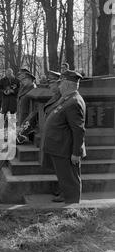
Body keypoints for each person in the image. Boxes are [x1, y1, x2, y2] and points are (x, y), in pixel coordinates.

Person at [41, 70, 86, 204]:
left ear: (66, 85)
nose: (59, 87)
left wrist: (76, 153)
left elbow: (78, 130)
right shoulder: (67, 99)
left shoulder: (74, 102)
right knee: (64, 177)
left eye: (61, 84)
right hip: (60, 147)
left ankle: (72, 206)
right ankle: (67, 198)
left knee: (70, 179)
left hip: (65, 149)